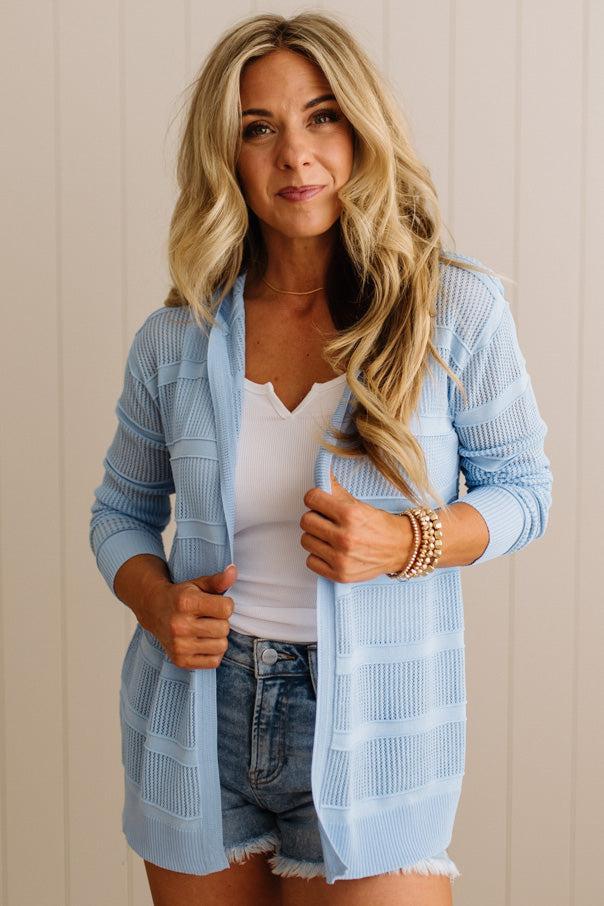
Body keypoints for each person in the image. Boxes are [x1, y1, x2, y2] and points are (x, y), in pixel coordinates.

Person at [89, 11, 553, 906]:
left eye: (323, 116)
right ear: (225, 155)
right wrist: (156, 601)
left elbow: (526, 493)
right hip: (197, 718)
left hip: (379, 727)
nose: (295, 155)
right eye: (258, 129)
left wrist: (405, 541)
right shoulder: (175, 337)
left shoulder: (454, 308)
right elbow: (120, 511)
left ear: (362, 130)